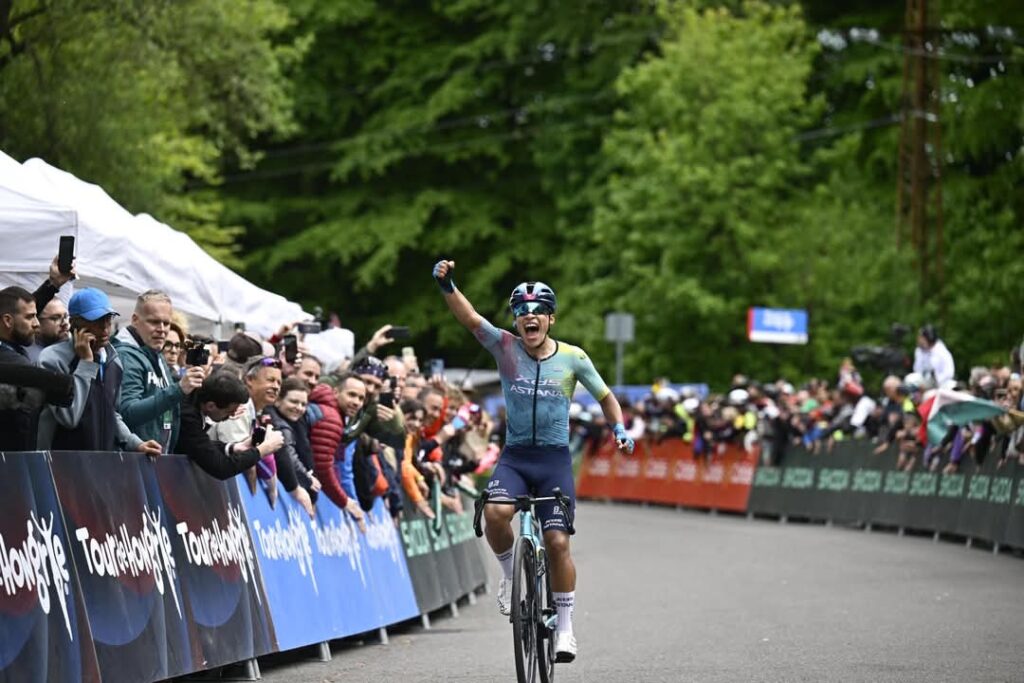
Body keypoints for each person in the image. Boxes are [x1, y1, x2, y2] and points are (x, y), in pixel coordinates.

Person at [432, 259, 634, 663]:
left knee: (558, 542)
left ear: (550, 319)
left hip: (554, 460)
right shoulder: (504, 347)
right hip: (517, 456)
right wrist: (447, 284)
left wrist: (619, 428)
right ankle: (509, 576)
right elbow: (471, 319)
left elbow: (606, 397)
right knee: (494, 513)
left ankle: (565, 628)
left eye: (537, 311)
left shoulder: (573, 358)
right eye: (521, 312)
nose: (529, 317)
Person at [36, 288, 161, 456]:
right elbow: (70, 418)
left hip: (102, 468)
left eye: (108, 320)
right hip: (61, 465)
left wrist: (134, 443)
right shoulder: (52, 360)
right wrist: (86, 363)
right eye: (96, 321)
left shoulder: (113, 359)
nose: (104, 328)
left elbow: (111, 413)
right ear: (75, 324)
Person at [113, 291, 205, 455]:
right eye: (154, 322)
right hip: (133, 461)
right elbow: (127, 413)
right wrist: (178, 389)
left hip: (157, 458)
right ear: (135, 320)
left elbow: (167, 408)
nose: (162, 329)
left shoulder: (154, 352)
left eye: (166, 323)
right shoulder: (127, 356)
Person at [177, 370, 286, 479]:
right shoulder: (188, 416)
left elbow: (200, 446)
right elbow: (221, 467)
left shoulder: (195, 405)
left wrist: (235, 447)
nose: (232, 415)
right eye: (229, 411)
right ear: (211, 406)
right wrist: (263, 450)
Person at [308, 373, 368, 531]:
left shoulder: (333, 413)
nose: (356, 402)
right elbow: (323, 468)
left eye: (361, 399)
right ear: (336, 393)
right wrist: (345, 501)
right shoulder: (332, 419)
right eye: (351, 395)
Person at [26, 297, 70, 363]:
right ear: (36, 323)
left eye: (65, 316)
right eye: (55, 318)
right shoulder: (33, 360)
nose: (65, 323)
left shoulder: (75, 347)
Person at [913, 324, 955, 389]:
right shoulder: (919, 351)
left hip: (940, 384)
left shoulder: (942, 352)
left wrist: (937, 381)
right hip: (924, 383)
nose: (919, 339)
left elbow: (949, 373)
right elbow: (917, 370)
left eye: (921, 337)